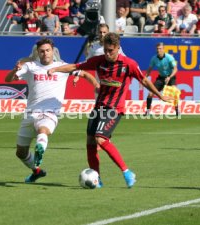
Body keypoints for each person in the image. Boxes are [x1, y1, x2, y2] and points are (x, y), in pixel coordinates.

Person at [47, 33, 171, 188]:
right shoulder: (99, 61)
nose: (107, 53)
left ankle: (127, 172)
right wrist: (55, 69)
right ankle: (96, 179)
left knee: (101, 139)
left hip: (114, 108)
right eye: (105, 50)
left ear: (118, 48)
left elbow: (144, 80)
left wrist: (160, 95)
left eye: (110, 50)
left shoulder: (128, 64)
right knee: (90, 141)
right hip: (99, 107)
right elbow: (76, 66)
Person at [5, 38, 99, 183]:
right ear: (38, 52)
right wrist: (14, 70)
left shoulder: (62, 66)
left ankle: (40, 149)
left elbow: (85, 74)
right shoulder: (30, 66)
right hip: (30, 113)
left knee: (43, 130)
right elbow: (8, 80)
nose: (45, 53)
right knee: (20, 152)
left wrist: (95, 84)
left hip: (50, 112)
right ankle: (36, 171)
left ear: (52, 51)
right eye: (42, 51)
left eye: (48, 50)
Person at [144, 42, 179, 117]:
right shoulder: (154, 58)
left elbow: (175, 69)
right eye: (157, 49)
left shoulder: (169, 57)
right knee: (150, 94)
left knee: (174, 93)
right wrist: (144, 78)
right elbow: (149, 69)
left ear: (163, 49)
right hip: (161, 78)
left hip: (170, 77)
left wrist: (169, 77)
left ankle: (177, 110)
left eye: (160, 48)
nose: (158, 50)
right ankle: (147, 111)